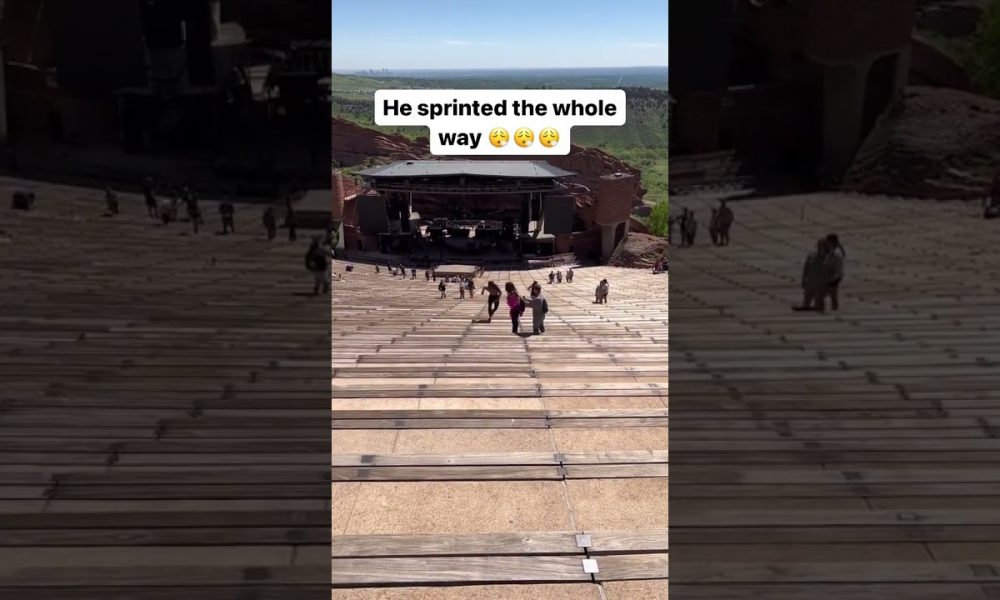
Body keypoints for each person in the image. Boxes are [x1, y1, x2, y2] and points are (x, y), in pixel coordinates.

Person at [794, 238, 833, 312]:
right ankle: (805, 307)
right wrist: (803, 279)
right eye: (819, 245)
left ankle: (819, 309)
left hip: (822, 283)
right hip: (811, 281)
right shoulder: (811, 256)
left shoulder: (830, 258)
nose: (820, 247)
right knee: (807, 296)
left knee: (819, 299)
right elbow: (806, 267)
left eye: (822, 246)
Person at [825, 233, 845, 311]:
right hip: (833, 275)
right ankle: (834, 307)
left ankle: (835, 308)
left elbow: (837, 266)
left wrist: (833, 276)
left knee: (833, 294)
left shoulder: (836, 253)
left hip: (834, 276)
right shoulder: (832, 251)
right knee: (832, 294)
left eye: (828, 242)